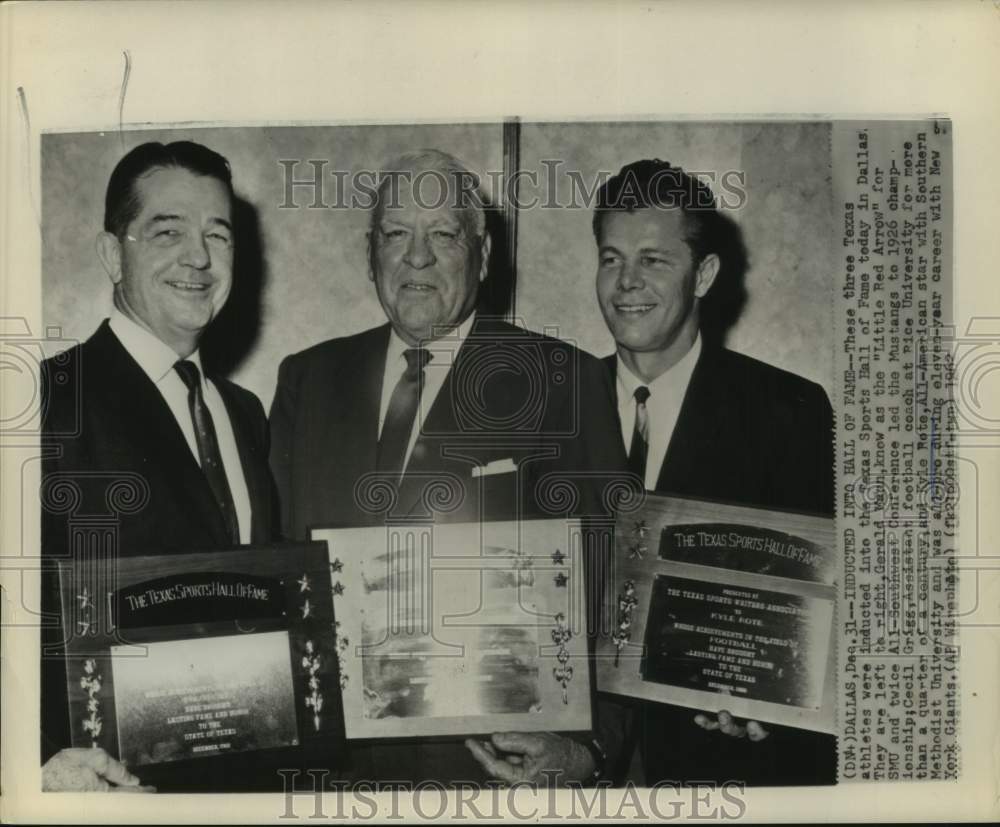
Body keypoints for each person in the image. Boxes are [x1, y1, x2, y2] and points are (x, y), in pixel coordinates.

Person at [269, 149, 626, 786]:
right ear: (369, 252)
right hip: (332, 776)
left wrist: (595, 749)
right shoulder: (307, 380)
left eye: (442, 234)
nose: (417, 257)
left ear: (483, 256)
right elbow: (275, 570)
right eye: (397, 234)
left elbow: (615, 584)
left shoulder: (564, 380)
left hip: (488, 771)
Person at [40, 141, 278, 791]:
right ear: (113, 254)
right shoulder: (43, 404)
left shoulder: (246, 412)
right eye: (167, 231)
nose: (198, 258)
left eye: (218, 235)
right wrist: (36, 763)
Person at [592, 158, 836, 785]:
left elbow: (818, 606)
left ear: (703, 275)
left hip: (718, 770)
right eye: (612, 258)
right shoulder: (555, 406)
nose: (626, 283)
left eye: (653, 260)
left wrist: (771, 707)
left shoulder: (789, 411)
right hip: (576, 767)